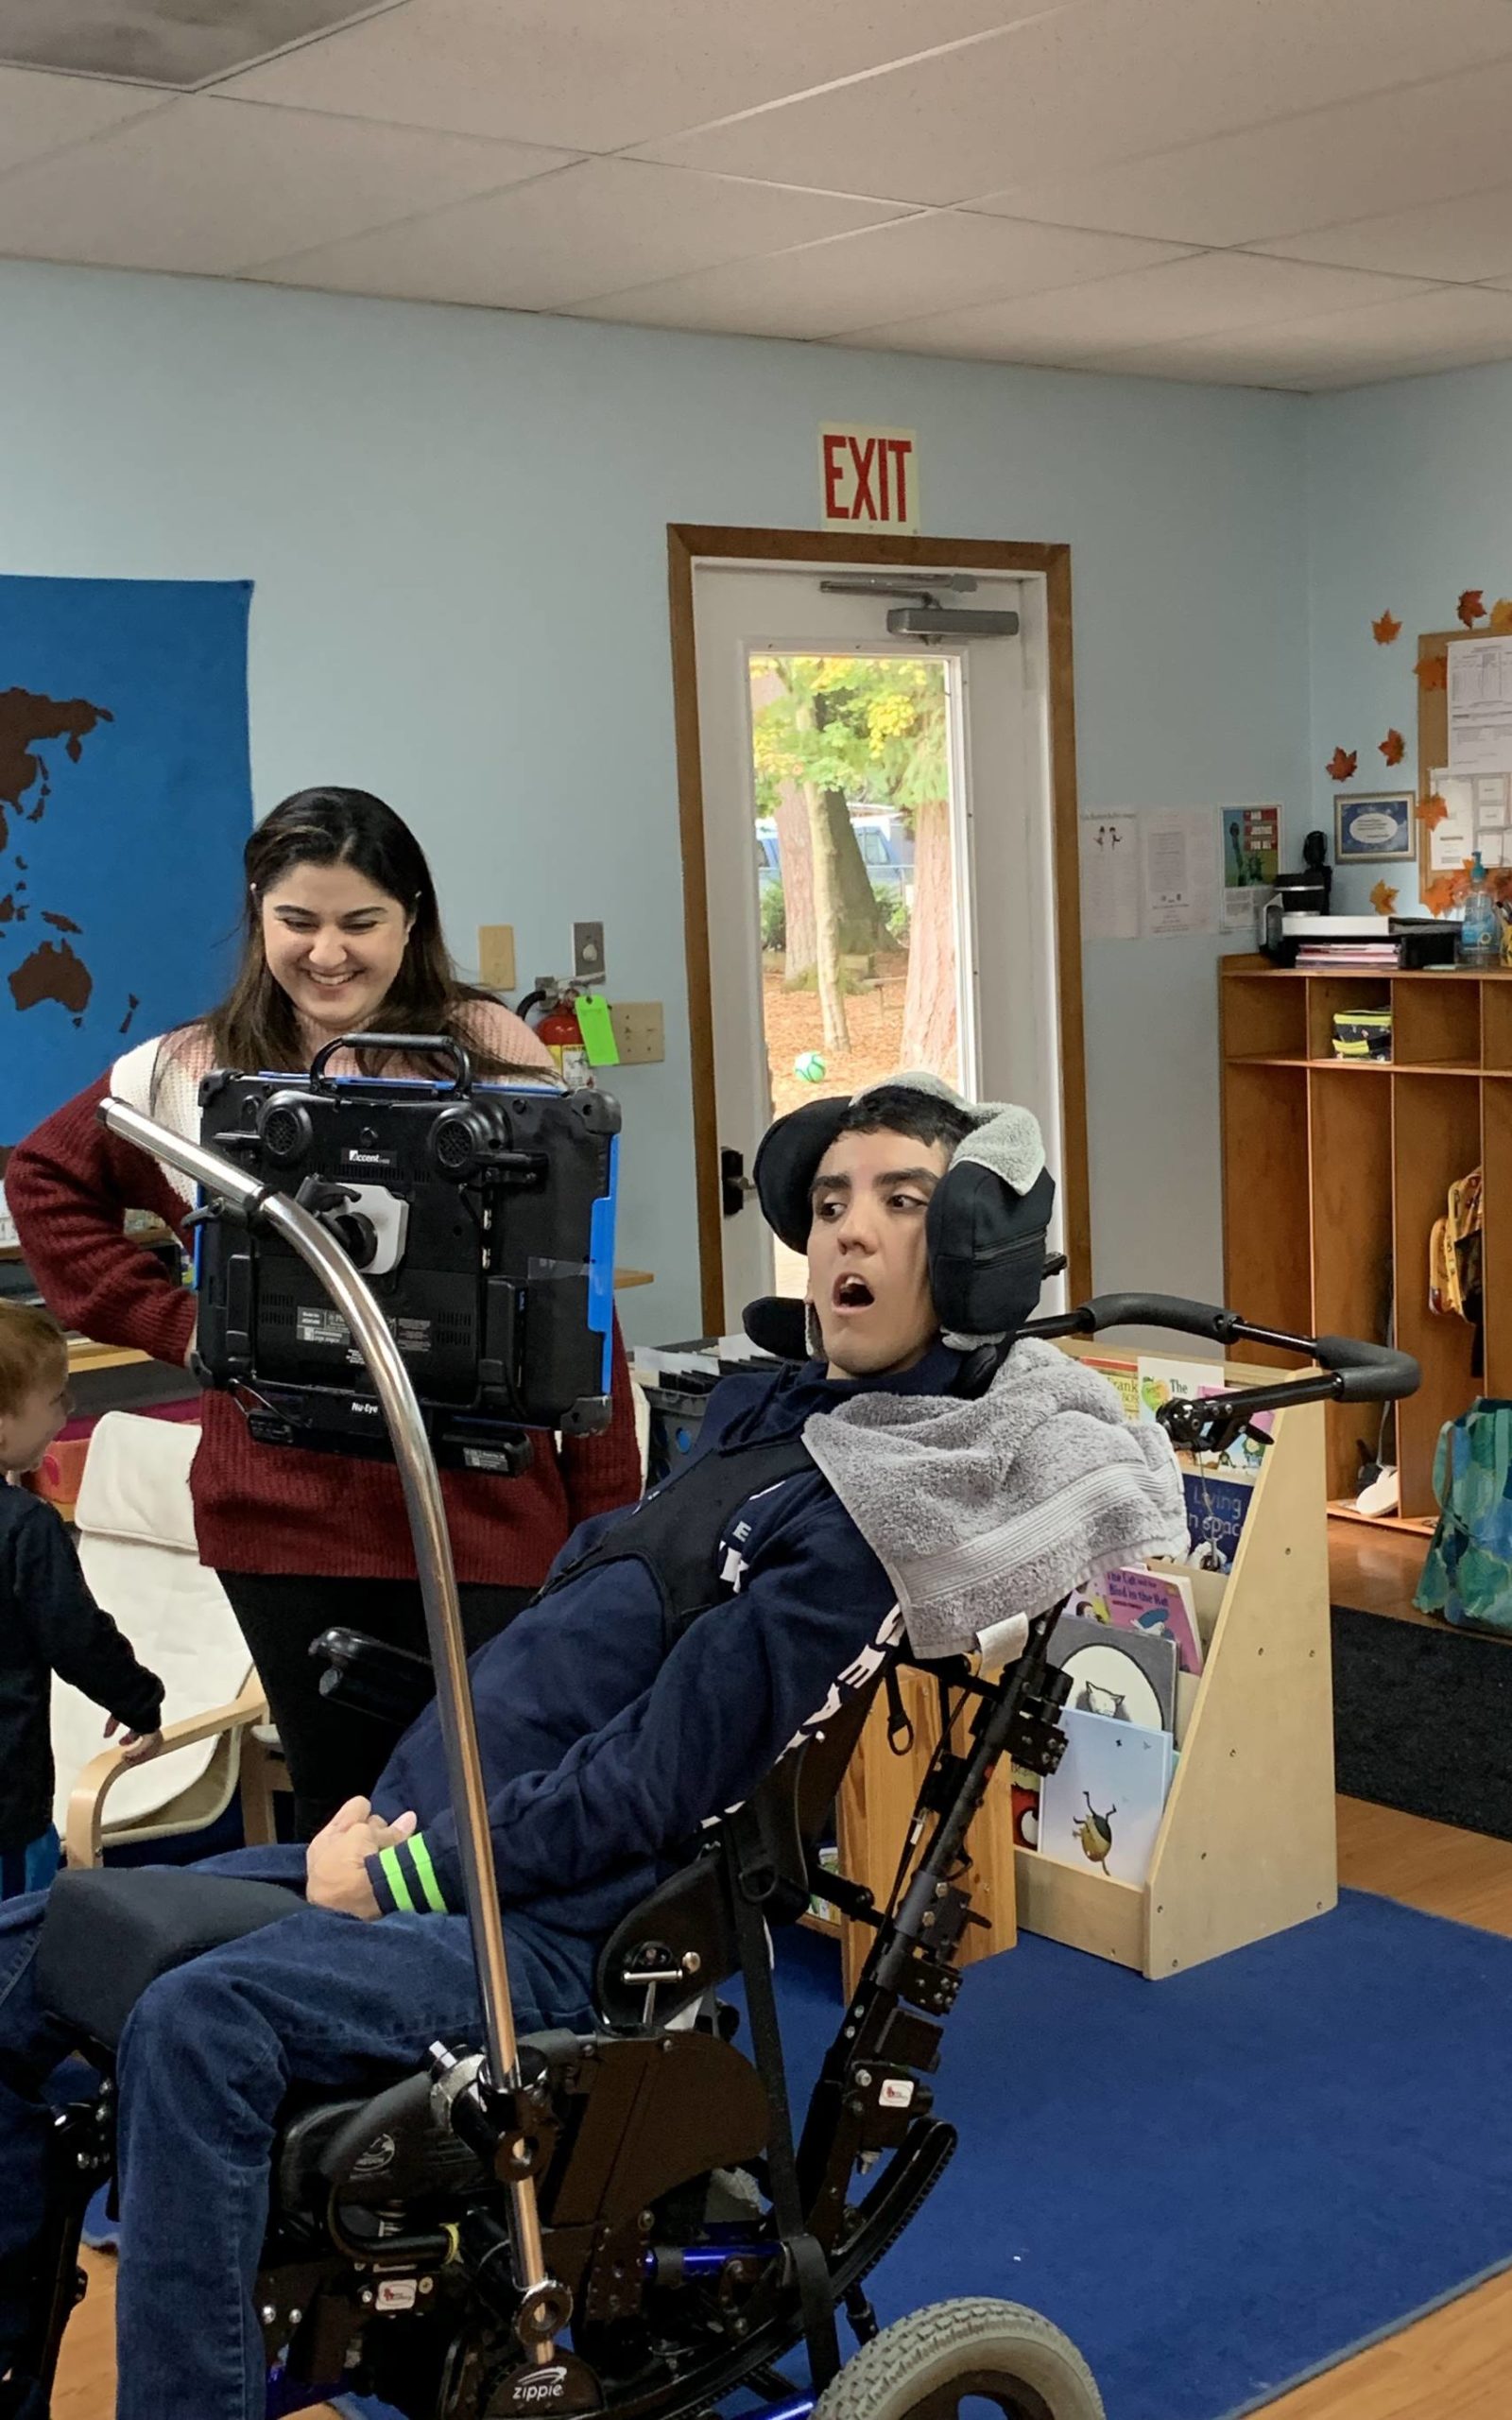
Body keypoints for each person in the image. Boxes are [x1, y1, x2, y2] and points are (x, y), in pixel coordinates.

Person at [0, 1079, 983, 2420]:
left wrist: (405, 1879)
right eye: (827, 1205)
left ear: (976, 1246)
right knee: (37, 1937)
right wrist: (387, 1851)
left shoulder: (860, 1517)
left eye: (902, 1202)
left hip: (549, 1932)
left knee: (198, 2022)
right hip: (428, 1853)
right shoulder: (760, 1431)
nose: (849, 1235)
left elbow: (654, 1781)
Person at [5, 788, 641, 1841]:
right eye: (299, 921)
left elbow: (577, 1291)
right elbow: (45, 1178)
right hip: (287, 1524)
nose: (329, 953)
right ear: (260, 916)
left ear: (412, 919)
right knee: (344, 1831)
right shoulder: (184, 1070)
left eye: (361, 922)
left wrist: (608, 1528)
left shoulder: (489, 1050)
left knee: (493, 1821)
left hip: (483, 1516)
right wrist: (182, 1325)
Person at [0, 1305, 163, 1901]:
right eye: (56, 1400)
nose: (67, 1413)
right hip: (7, 1807)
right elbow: (76, 1636)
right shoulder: (26, 1527)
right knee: (17, 1939)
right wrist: (140, 1702)